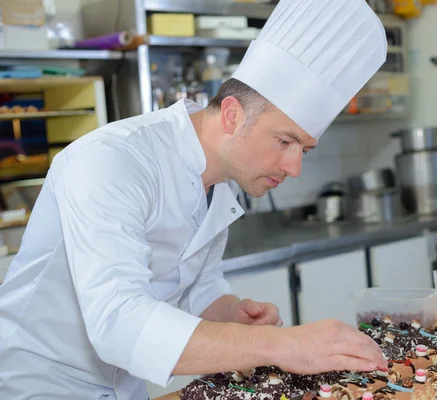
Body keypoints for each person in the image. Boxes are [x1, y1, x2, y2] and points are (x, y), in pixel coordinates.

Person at [0, 0, 388, 398]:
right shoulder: (112, 161)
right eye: (285, 141)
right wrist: (284, 345)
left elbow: (196, 280)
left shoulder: (223, 177)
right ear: (233, 115)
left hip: (124, 387)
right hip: (37, 383)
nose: (294, 167)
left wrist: (231, 315)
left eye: (303, 149)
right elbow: (118, 322)